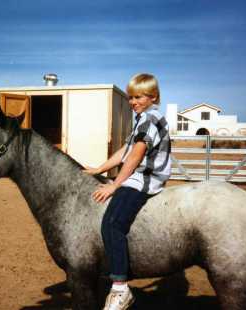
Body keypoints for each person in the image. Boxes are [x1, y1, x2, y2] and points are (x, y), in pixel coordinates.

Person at [85, 73, 171, 310]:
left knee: (112, 223)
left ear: (153, 97)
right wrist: (101, 168)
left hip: (145, 177)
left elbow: (135, 156)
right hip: (138, 173)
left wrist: (115, 185)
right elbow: (126, 149)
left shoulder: (150, 119)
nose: (133, 102)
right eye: (131, 98)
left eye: (138, 97)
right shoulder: (142, 118)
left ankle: (121, 289)